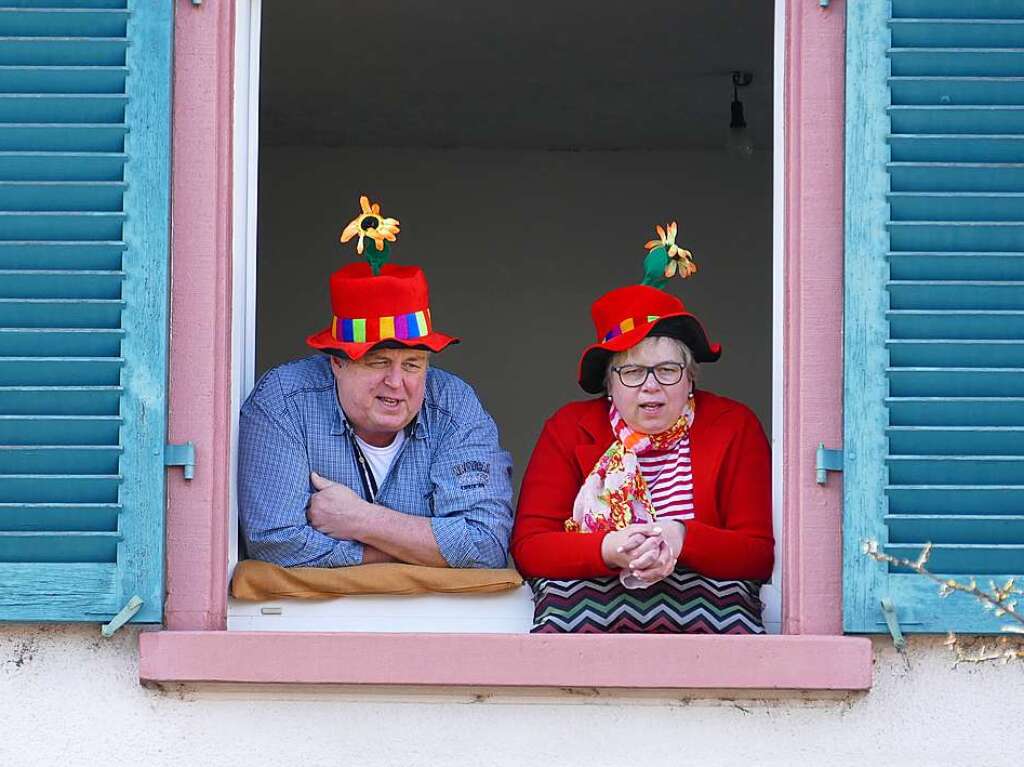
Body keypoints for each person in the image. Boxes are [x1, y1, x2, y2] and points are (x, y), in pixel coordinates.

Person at [510, 221, 773, 632]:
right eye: (632, 371)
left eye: (667, 369)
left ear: (691, 378)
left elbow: (757, 554)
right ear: (609, 383)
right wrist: (611, 548)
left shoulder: (733, 425)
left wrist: (680, 537)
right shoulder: (568, 427)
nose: (651, 386)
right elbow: (530, 548)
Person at [238, 196, 513, 569]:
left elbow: (485, 547)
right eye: (378, 362)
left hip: (434, 624)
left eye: (413, 364)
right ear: (336, 361)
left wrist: (360, 520)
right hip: (314, 625)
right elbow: (275, 542)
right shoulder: (284, 401)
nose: (396, 382)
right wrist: (418, 550)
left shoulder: (455, 404)